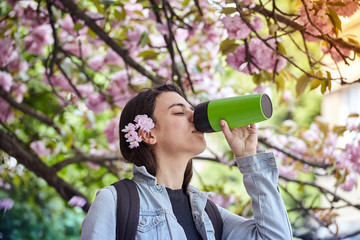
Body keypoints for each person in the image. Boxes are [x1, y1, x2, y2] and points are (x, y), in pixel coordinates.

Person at [80, 84, 293, 239]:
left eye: (192, 110)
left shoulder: (209, 214)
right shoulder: (116, 201)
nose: (194, 117)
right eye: (179, 112)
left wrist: (249, 158)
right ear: (148, 134)